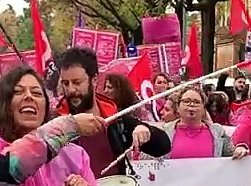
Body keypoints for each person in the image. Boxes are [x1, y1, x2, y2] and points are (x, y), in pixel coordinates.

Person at [54, 47, 170, 177]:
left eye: (77, 82)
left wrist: (145, 129)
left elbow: (163, 146)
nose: (70, 90)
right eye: (65, 83)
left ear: (95, 79)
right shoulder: (54, 123)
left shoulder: (115, 120)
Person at [160, 88, 234, 159]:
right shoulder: (164, 132)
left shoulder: (218, 132)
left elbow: (233, 155)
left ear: (204, 108)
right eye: (186, 101)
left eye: (197, 102)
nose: (191, 104)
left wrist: (241, 148)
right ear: (177, 107)